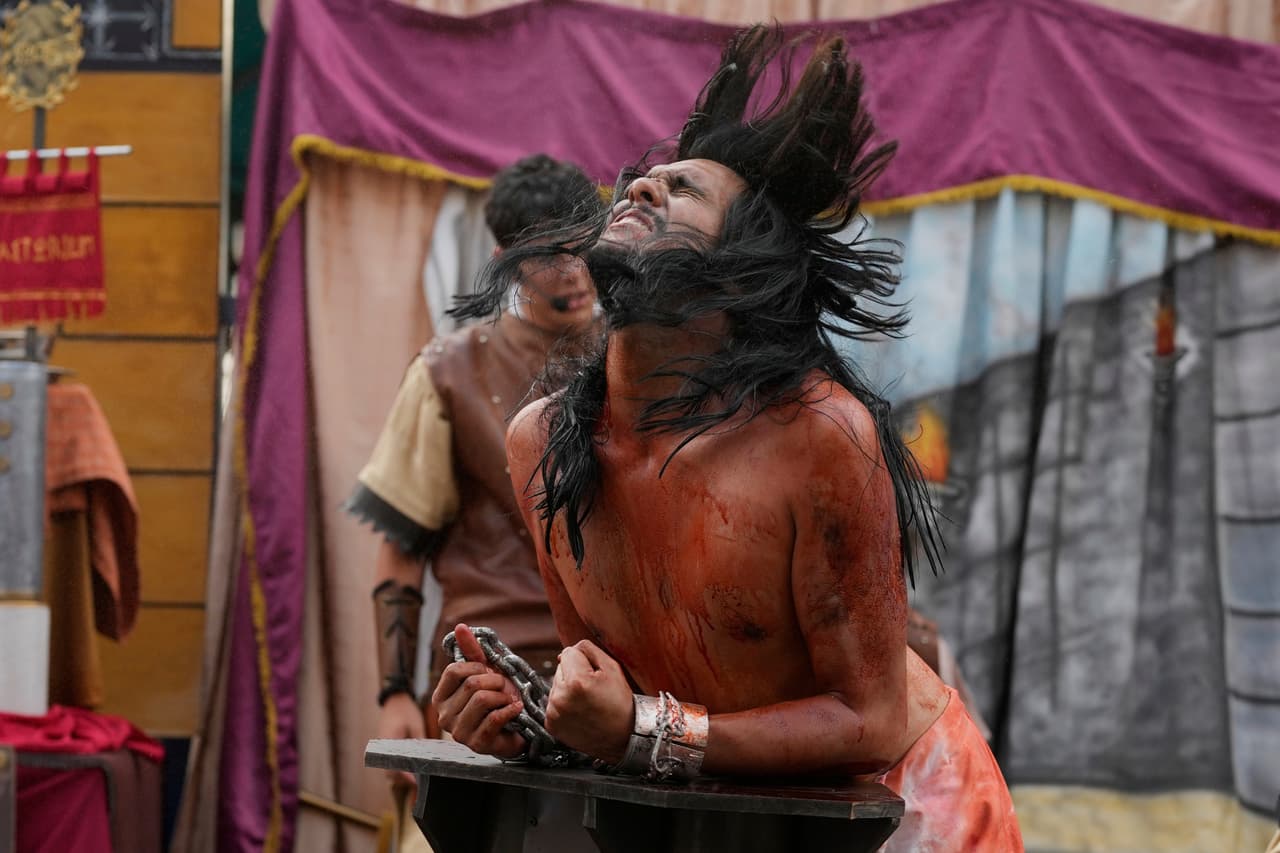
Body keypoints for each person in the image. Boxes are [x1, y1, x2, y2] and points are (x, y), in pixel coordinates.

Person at [432, 26, 1022, 851]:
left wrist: (641, 730)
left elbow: (873, 718)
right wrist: (527, 719)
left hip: (909, 810)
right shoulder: (541, 442)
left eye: (684, 190)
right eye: (645, 178)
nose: (642, 186)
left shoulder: (818, 438)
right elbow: (615, 691)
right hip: (730, 814)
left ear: (736, 270)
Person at [346, 154, 602, 771]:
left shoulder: (640, 358)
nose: (573, 272)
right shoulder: (447, 371)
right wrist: (394, 693)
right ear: (504, 261)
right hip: (488, 684)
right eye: (549, 255)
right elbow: (401, 552)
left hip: (615, 681)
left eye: (584, 248)